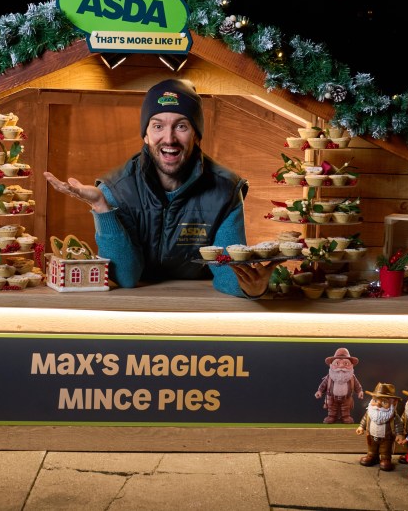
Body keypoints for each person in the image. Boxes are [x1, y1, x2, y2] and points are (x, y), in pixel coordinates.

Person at [44, 78, 276, 299]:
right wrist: (101, 207)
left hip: (199, 313)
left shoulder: (225, 190)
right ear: (145, 135)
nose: (169, 138)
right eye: (157, 126)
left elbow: (228, 275)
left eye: (181, 126)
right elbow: (126, 277)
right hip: (133, 313)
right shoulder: (117, 188)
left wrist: (252, 288)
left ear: (196, 135)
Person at [355, 382, 404, 471]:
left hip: (387, 438)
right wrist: (361, 427)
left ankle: (385, 459)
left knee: (385, 450)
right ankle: (372, 457)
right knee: (372, 449)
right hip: (371, 437)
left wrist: (399, 434)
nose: (378, 405)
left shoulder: (393, 416)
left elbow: (398, 425)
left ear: (393, 403)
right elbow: (364, 420)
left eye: (384, 402)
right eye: (375, 400)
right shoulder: (370, 412)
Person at [314, 347, 364, 424]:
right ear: (332, 364)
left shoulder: (352, 377)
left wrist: (360, 391)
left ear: (351, 365)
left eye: (346, 363)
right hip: (332, 397)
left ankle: (346, 417)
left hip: (346, 398)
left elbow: (357, 385)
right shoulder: (330, 376)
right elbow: (324, 384)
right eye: (337, 363)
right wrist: (320, 391)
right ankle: (331, 417)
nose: (341, 366)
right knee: (332, 408)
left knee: (345, 409)